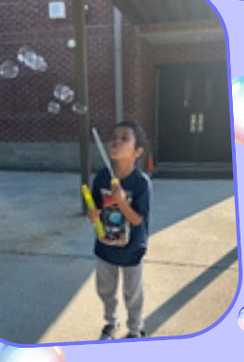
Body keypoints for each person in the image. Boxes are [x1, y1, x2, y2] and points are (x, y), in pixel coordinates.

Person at [87, 120, 151, 340]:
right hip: (105, 247)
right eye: (114, 137)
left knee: (133, 294)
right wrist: (92, 214)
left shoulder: (140, 183)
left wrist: (122, 202)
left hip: (132, 248)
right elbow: (94, 209)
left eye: (124, 138)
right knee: (106, 290)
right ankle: (110, 323)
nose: (116, 141)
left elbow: (136, 220)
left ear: (137, 152)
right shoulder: (102, 177)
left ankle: (135, 328)